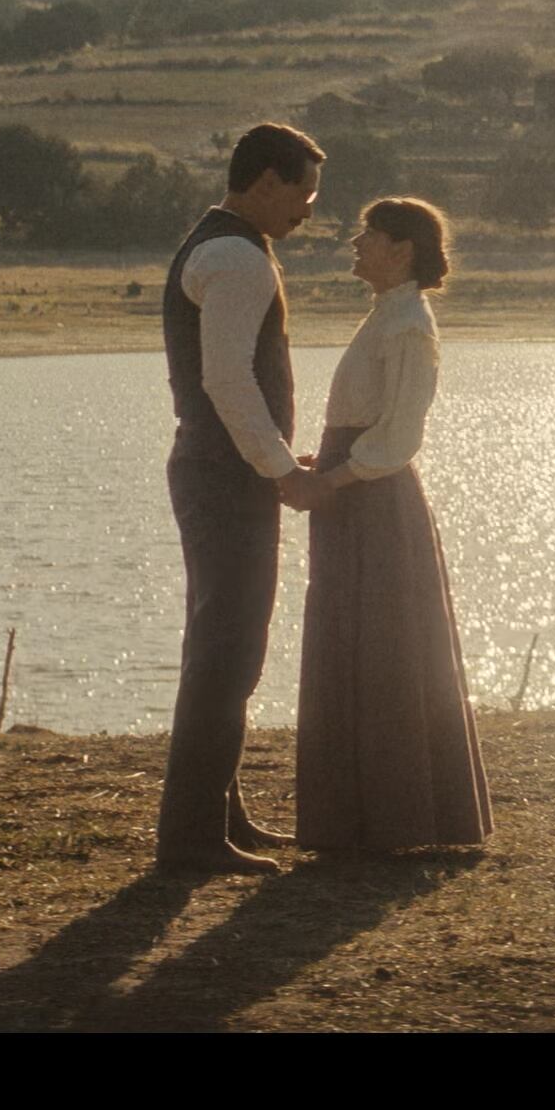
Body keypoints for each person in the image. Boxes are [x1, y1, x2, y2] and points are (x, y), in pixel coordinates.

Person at [290, 196, 493, 855]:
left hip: (373, 502)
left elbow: (399, 434)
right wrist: (330, 464)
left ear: (402, 250)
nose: (355, 244)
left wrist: (336, 478)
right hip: (357, 493)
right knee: (360, 644)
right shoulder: (388, 316)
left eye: (368, 236)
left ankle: (398, 818)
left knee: (385, 650)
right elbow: (369, 422)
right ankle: (362, 820)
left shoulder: (408, 324)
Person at [154, 122, 325, 873]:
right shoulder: (237, 258)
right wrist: (280, 468)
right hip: (226, 476)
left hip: (216, 470)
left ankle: (220, 813)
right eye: (303, 191)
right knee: (229, 651)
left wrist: (276, 459)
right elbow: (228, 380)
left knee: (224, 647)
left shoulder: (218, 244)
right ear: (264, 182)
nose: (310, 210)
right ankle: (191, 838)